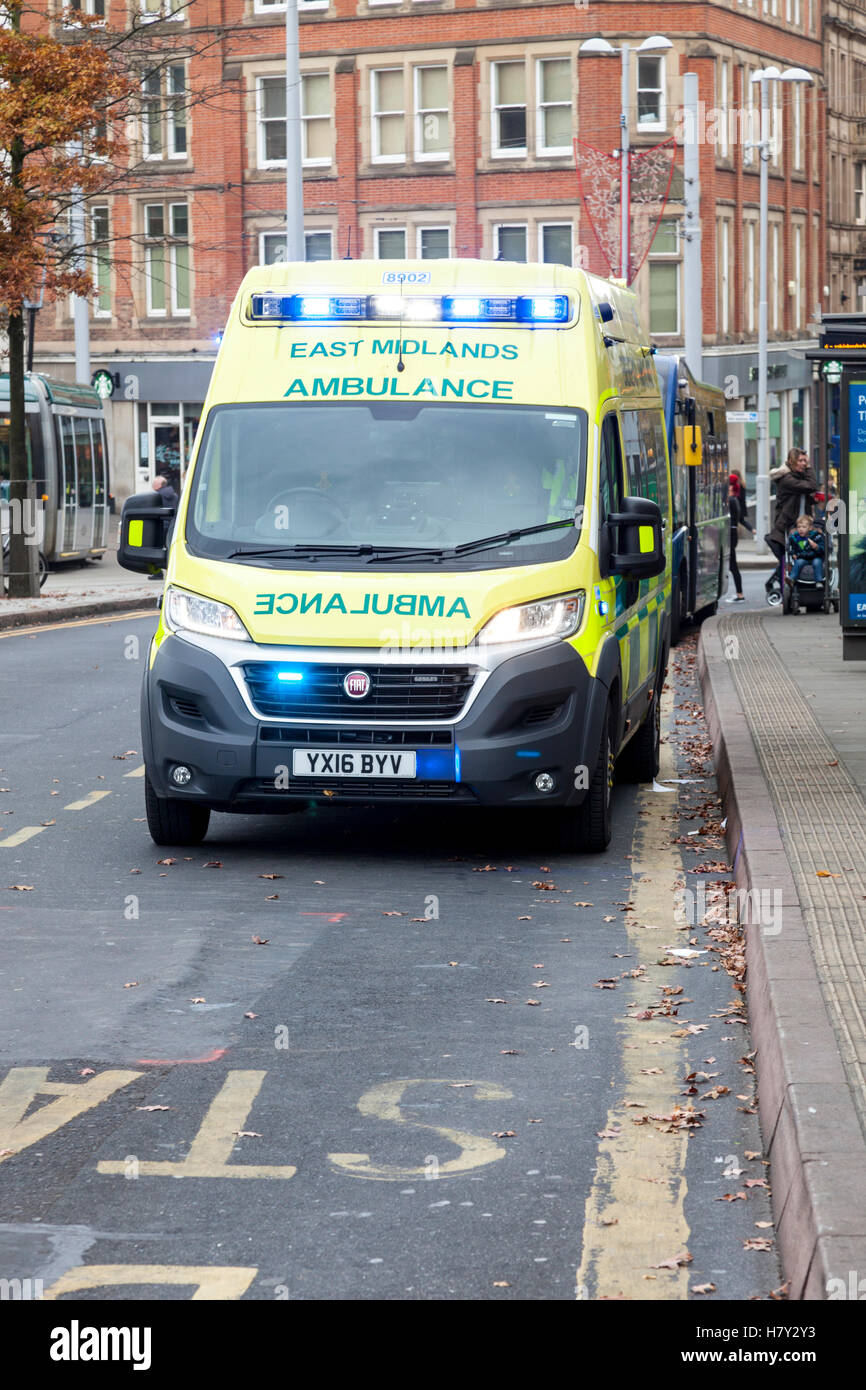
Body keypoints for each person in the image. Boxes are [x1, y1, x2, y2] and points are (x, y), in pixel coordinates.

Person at [764, 449, 817, 592]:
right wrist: (810, 468)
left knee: (799, 556)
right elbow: (811, 486)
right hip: (788, 524)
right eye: (800, 461)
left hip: (801, 522)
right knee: (786, 558)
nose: (803, 464)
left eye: (805, 461)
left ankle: (798, 587)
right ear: (792, 461)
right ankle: (784, 592)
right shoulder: (787, 479)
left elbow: (807, 493)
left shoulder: (797, 477)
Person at [725, 477, 752, 602]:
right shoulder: (735, 500)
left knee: (733, 566)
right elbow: (741, 519)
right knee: (732, 565)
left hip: (730, 534)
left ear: (731, 487)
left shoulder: (730, 501)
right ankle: (739, 593)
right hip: (733, 534)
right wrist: (751, 529)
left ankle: (740, 594)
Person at [788, 513, 825, 584]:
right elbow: (792, 548)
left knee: (817, 562)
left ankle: (819, 581)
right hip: (803, 558)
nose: (801, 529)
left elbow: (823, 550)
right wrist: (793, 554)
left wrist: (816, 547)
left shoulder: (816, 536)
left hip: (815, 556)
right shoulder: (795, 538)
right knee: (798, 562)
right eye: (799, 527)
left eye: (803, 527)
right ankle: (791, 579)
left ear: (810, 528)